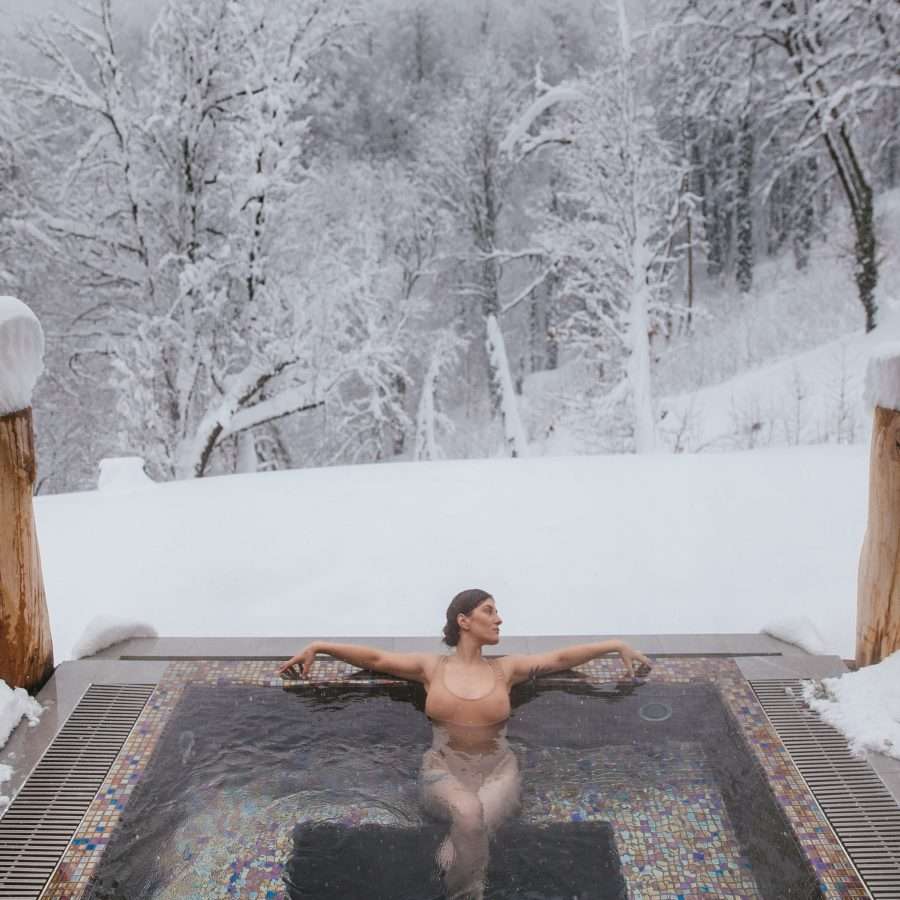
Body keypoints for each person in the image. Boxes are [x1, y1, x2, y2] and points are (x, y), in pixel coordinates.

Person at [276, 588, 652, 900]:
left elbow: (557, 659)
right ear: (464, 621)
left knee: (472, 824)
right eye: (489, 611)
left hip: (498, 769)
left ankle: (455, 857)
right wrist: (320, 646)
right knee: (470, 815)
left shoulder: (505, 669)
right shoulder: (431, 668)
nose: (499, 618)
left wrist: (614, 644)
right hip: (443, 768)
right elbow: (376, 658)